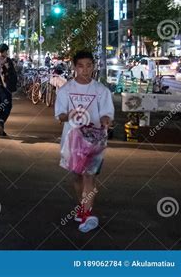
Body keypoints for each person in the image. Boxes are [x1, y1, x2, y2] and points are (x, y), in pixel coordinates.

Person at [55, 51, 114, 233]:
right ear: (74, 67)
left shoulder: (101, 90)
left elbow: (107, 113)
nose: (85, 70)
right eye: (81, 66)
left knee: (90, 176)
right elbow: (60, 115)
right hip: (72, 140)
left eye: (89, 65)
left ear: (93, 66)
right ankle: (83, 207)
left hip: (94, 140)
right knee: (77, 176)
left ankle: (87, 214)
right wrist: (69, 115)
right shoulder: (66, 90)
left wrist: (105, 121)